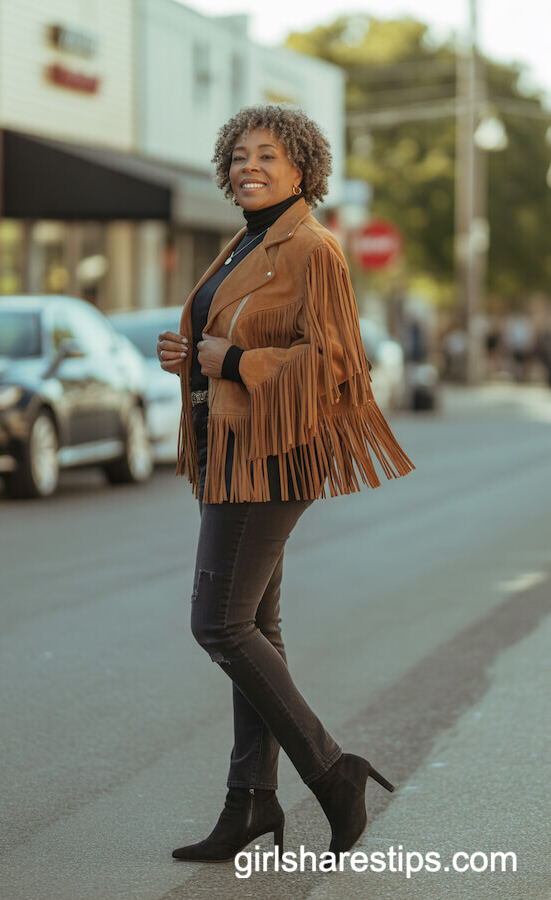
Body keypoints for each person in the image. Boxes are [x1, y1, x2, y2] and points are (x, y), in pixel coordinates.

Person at [157, 104, 414, 862]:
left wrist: (233, 363)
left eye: (267, 155)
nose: (249, 167)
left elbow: (337, 363)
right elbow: (241, 337)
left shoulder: (313, 248)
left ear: (303, 168)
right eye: (238, 156)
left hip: (269, 453)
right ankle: (250, 804)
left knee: (219, 625)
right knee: (255, 630)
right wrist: (193, 357)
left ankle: (334, 773)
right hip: (225, 448)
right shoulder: (244, 245)